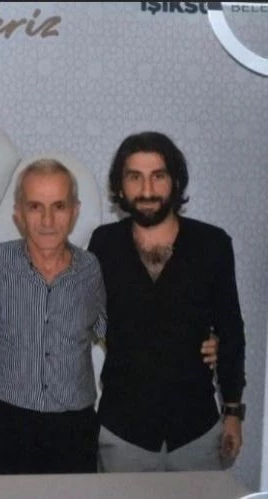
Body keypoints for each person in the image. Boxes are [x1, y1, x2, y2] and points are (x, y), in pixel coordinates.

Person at [89, 131, 246, 472]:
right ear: (120, 186)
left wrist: (233, 411)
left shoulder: (212, 244)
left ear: (175, 182)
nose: (147, 190)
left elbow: (232, 331)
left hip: (195, 430)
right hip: (123, 432)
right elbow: (80, 321)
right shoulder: (103, 244)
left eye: (158, 176)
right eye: (135, 177)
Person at [0, 158, 106, 475]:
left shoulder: (91, 269)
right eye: (35, 207)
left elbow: (119, 333)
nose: (47, 220)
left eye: (59, 206)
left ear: (75, 211)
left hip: (75, 428)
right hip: (5, 424)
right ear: (18, 213)